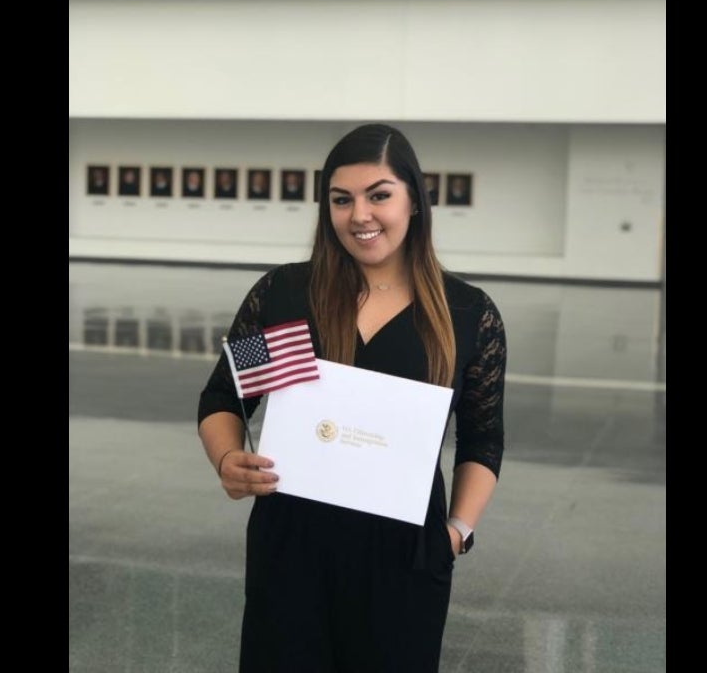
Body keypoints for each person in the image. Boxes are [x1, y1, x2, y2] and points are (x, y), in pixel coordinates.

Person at [197, 123, 506, 672]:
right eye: (342, 200)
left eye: (379, 195)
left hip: (405, 557)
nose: (359, 215)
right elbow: (225, 396)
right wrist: (226, 459)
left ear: (414, 199)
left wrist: (455, 533)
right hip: (291, 549)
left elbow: (483, 438)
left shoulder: (466, 314)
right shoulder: (288, 294)